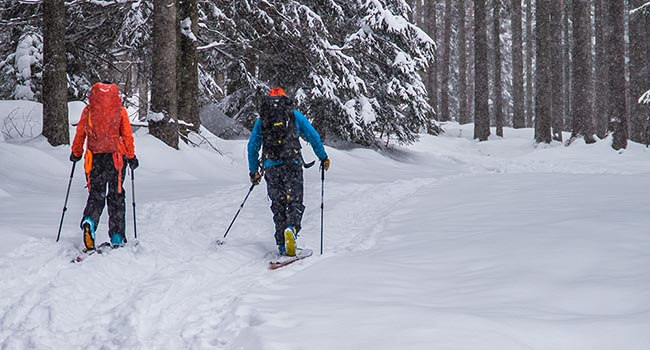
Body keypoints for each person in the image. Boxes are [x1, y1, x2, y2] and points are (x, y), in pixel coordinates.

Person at [247, 87, 330, 256]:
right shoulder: (293, 115)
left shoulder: (262, 119)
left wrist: (253, 171)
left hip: (271, 167)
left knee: (278, 204)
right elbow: (313, 136)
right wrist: (323, 157)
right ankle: (291, 229)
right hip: (292, 164)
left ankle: (282, 244)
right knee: (294, 201)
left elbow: (252, 147)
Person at [70, 81, 138, 250]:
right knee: (116, 196)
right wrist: (131, 156)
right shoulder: (119, 111)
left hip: (95, 159)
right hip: (116, 160)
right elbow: (127, 136)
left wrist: (76, 153)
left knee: (96, 195)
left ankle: (90, 221)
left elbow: (80, 133)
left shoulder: (89, 111)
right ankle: (116, 236)